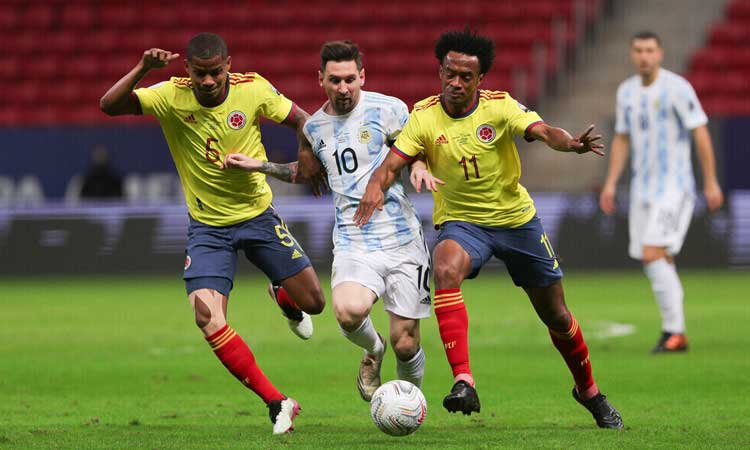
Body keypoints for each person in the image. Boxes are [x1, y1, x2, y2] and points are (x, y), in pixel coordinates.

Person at [354, 28, 623, 429]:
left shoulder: (500, 106)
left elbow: (543, 131)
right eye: (449, 74)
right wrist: (375, 187)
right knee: (445, 267)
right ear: (440, 72)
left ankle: (588, 390)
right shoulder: (423, 115)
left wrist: (568, 143)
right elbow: (392, 164)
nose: (456, 83)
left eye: (466, 77)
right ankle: (464, 380)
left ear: (480, 79)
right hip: (463, 224)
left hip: (516, 221)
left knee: (557, 315)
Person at [99, 32, 326, 434]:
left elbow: (302, 119)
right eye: (200, 73)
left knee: (315, 303)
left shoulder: (252, 88)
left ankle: (283, 295)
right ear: (187, 69)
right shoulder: (170, 94)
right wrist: (143, 68)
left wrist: (305, 153)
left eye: (215, 72)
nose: (207, 81)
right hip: (208, 228)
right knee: (206, 316)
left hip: (258, 216)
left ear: (228, 66)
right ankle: (277, 402)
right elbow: (110, 105)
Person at [223, 40, 439, 400]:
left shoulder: (389, 109)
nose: (343, 88)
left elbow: (414, 149)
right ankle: (373, 349)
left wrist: (418, 167)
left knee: (406, 343)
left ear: (362, 77)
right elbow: (307, 174)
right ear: (320, 79)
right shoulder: (314, 129)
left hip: (402, 238)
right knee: (348, 312)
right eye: (335, 80)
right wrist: (260, 165)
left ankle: (408, 405)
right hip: (355, 239)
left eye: (350, 79)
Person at [600, 31, 724, 353]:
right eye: (638, 50)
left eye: (649, 50)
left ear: (660, 54)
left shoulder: (677, 88)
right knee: (660, 258)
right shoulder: (626, 92)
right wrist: (611, 182)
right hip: (642, 189)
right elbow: (622, 138)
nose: (644, 56)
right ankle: (676, 332)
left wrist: (710, 181)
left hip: (674, 187)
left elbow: (700, 133)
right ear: (632, 54)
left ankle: (674, 332)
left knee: (652, 252)